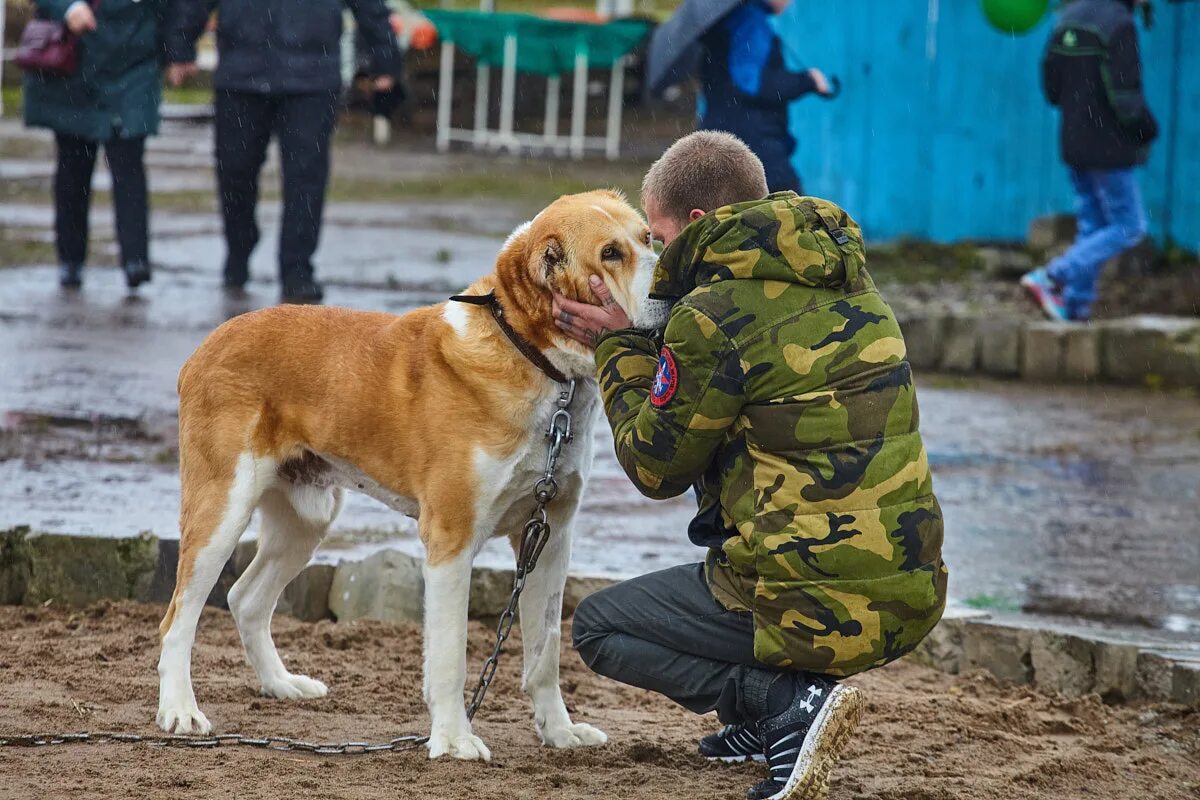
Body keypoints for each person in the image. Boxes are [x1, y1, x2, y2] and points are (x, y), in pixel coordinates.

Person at [554, 132, 947, 800]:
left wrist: (616, 344)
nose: (653, 257)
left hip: (814, 599)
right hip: (910, 591)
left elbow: (654, 470)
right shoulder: (852, 284)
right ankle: (761, 719)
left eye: (659, 236)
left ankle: (776, 702)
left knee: (600, 626)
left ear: (700, 226)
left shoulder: (711, 316)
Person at [165, 0, 401, 304]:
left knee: (307, 177)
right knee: (235, 170)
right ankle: (239, 246)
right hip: (241, 75)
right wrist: (181, 45)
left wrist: (386, 58)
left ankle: (297, 269)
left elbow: (370, 7)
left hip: (312, 78)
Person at [1022, 0, 1157, 322]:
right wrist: (1147, 129)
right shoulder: (1119, 22)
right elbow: (1126, 95)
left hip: (1073, 141)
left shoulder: (1068, 18)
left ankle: (1074, 306)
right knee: (1129, 225)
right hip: (1109, 147)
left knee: (1093, 225)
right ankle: (1053, 275)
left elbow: (1051, 86)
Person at [24, 0, 167, 291]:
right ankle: (71, 260)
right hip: (76, 63)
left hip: (134, 63)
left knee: (128, 163)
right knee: (73, 167)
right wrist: (68, 7)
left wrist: (178, 47)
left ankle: (135, 259)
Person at [697, 0, 832, 194]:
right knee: (791, 210)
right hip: (754, 142)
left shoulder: (725, 22)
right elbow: (752, 84)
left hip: (719, 138)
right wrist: (808, 80)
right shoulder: (751, 21)